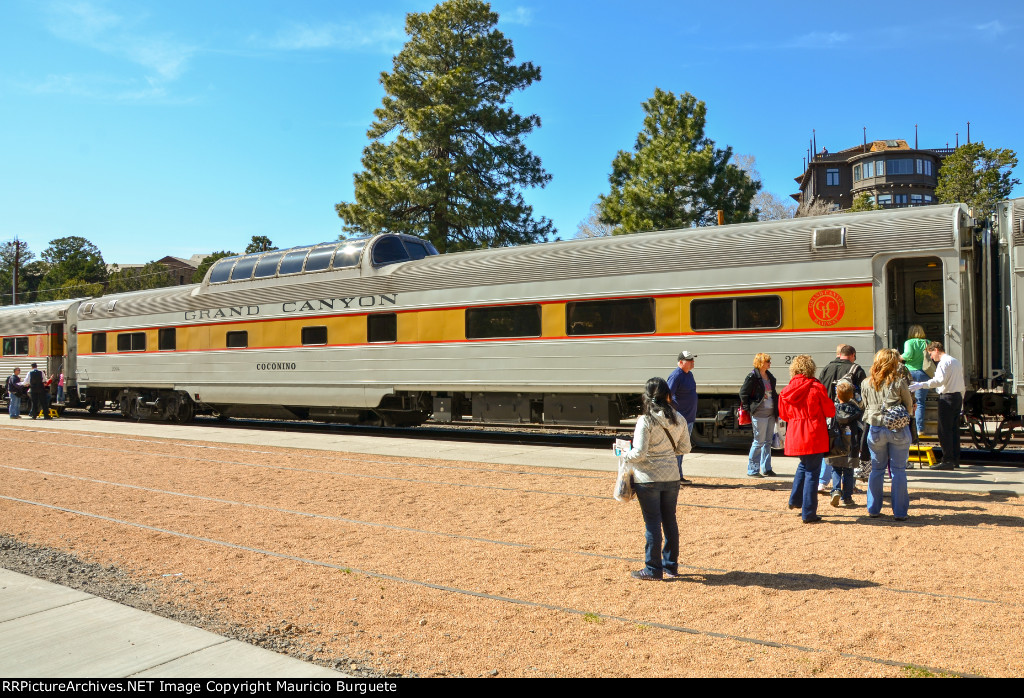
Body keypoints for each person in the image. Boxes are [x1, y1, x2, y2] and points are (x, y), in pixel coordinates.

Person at [621, 377, 692, 580]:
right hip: (671, 477)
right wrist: (670, 453)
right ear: (667, 396)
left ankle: (653, 569)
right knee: (670, 521)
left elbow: (640, 453)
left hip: (648, 478)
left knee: (652, 523)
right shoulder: (679, 418)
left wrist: (622, 454)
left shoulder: (646, 420)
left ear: (647, 397)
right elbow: (685, 448)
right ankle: (671, 566)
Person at [779, 355, 835, 523]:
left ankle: (795, 500)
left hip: (796, 431)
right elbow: (830, 411)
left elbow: (783, 415)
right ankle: (809, 513)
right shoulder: (816, 387)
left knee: (804, 466)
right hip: (814, 432)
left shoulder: (786, 390)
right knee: (812, 472)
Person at [862, 348, 914, 520]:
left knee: (876, 469)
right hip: (897, 429)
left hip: (875, 429)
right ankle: (900, 512)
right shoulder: (899, 382)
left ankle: (873, 509)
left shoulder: (866, 383)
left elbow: (865, 404)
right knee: (898, 470)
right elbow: (908, 405)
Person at [816, 345, 866, 494]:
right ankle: (849, 487)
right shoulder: (856, 369)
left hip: (830, 415)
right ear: (852, 355)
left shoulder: (826, 368)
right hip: (851, 416)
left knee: (831, 446)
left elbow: (820, 388)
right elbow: (864, 392)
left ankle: (822, 482)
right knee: (850, 449)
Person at [909, 342, 966, 470]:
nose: (931, 357)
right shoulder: (955, 361)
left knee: (944, 430)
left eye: (931, 354)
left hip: (947, 398)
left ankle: (947, 460)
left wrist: (921, 385)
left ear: (936, 350)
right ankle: (955, 459)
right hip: (957, 397)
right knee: (954, 430)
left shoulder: (944, 362)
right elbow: (960, 382)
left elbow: (939, 381)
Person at [739, 353, 778, 477]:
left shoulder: (769, 376)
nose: (770, 363)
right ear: (761, 362)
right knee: (758, 442)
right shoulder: (752, 377)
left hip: (771, 413)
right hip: (759, 414)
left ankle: (766, 468)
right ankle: (753, 470)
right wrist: (750, 408)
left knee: (767, 442)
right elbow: (743, 393)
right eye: (768, 361)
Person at [826, 380, 863, 508]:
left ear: (837, 394)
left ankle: (835, 490)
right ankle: (847, 497)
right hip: (851, 445)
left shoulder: (833, 409)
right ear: (851, 395)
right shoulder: (856, 410)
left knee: (835, 469)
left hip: (835, 444)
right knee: (848, 471)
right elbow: (860, 428)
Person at [667, 350, 698, 484]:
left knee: (682, 448)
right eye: (689, 361)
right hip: (680, 418)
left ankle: (678, 475)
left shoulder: (689, 374)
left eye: (693, 360)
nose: (692, 363)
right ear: (680, 362)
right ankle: (676, 476)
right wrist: (673, 414)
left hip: (688, 417)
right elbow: (667, 396)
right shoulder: (676, 376)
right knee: (678, 447)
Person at [901, 325, 930, 435]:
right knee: (920, 402)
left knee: (907, 401)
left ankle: (907, 427)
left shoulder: (909, 342)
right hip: (924, 374)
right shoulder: (927, 342)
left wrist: (898, 357)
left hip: (910, 373)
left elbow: (908, 355)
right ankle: (919, 429)